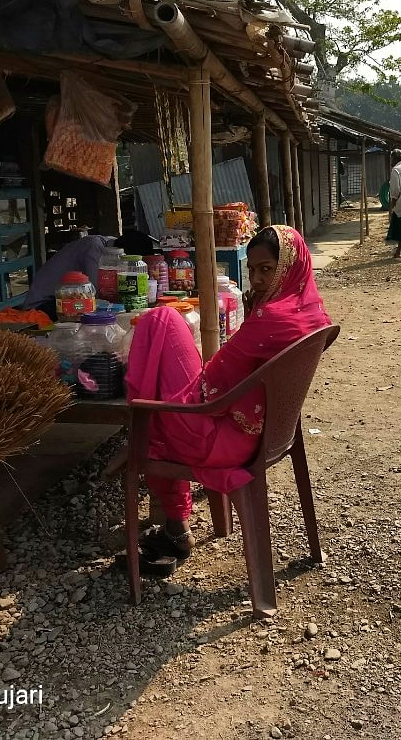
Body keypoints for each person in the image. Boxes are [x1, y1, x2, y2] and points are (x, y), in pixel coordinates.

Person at [120, 225, 331, 577]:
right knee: (161, 355)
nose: (258, 279)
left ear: (288, 266)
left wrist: (168, 388)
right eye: (252, 269)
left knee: (161, 320)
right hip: (270, 433)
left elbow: (211, 386)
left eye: (267, 269)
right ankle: (143, 426)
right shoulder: (310, 311)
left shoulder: (270, 318)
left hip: (221, 441)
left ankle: (139, 430)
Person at [24, 230, 157, 318]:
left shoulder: (112, 244)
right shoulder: (94, 248)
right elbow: (97, 292)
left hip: (66, 298)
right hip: (43, 306)